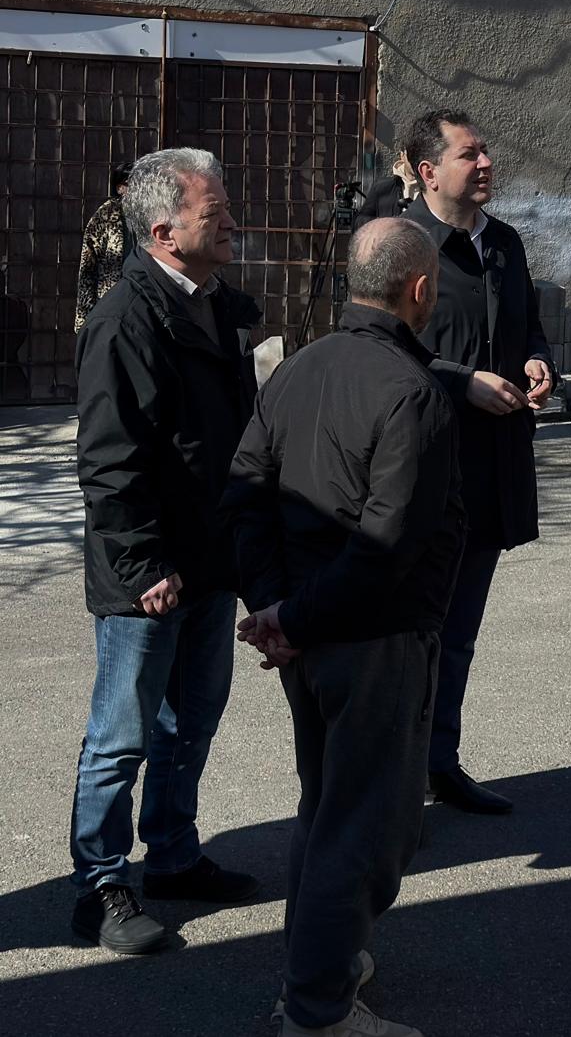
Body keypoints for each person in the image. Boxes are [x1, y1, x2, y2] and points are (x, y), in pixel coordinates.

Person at [224, 216, 465, 1037]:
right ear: (420, 289)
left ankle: (319, 967)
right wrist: (286, 615)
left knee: (328, 811)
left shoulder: (297, 369)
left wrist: (275, 610)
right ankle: (319, 1009)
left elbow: (246, 496)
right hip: (373, 641)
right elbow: (386, 545)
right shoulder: (414, 394)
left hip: (309, 636)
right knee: (366, 829)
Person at [69, 147, 261, 954]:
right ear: (163, 231)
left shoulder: (216, 307)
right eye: (215, 213)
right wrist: (145, 563)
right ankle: (100, 887)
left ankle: (174, 856)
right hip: (148, 573)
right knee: (122, 735)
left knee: (191, 724)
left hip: (210, 559)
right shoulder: (125, 320)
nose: (233, 223)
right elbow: (109, 461)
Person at [400, 108, 554, 815]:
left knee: (459, 635)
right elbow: (377, 345)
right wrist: (462, 382)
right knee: (415, 639)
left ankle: (441, 764)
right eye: (470, 154)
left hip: (492, 472)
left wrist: (536, 361)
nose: (486, 163)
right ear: (429, 171)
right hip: (425, 473)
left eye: (486, 150)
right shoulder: (400, 244)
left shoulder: (505, 243)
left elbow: (530, 327)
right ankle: (400, 785)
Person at [75, 161, 134, 331]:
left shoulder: (151, 214)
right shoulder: (107, 214)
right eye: (131, 184)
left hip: (143, 292)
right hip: (113, 294)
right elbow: (88, 262)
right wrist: (84, 316)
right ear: (120, 188)